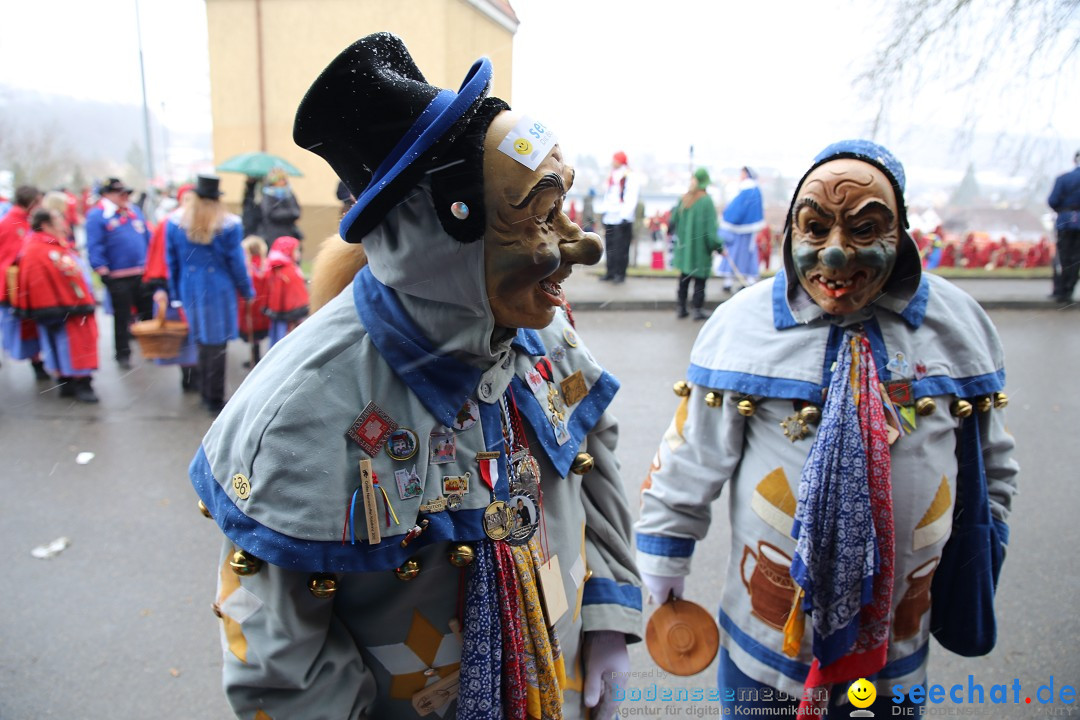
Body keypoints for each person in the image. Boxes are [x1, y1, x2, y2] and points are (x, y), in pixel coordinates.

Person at [188, 32, 641, 720]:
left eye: (564, 206)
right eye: (541, 215)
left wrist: (608, 615)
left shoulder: (542, 330)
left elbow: (593, 461)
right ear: (436, 239)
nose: (584, 243)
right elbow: (283, 668)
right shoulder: (300, 414)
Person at [635, 140, 1018, 716]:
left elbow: (992, 466)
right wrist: (664, 557)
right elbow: (691, 456)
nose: (836, 256)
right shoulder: (743, 326)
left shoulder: (959, 326)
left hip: (895, 648)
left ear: (904, 234)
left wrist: (983, 552)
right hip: (768, 651)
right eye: (815, 228)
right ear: (791, 231)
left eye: (867, 229)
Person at [165, 175, 254, 415]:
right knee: (216, 344)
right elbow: (236, 263)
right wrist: (247, 290)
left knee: (202, 341)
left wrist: (175, 293)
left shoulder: (175, 223)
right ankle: (213, 398)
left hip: (190, 286)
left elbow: (171, 262)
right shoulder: (228, 225)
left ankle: (205, 390)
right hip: (217, 287)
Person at [11, 208, 99, 402]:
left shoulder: (53, 245)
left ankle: (72, 381)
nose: (63, 224)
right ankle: (77, 382)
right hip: (60, 309)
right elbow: (36, 282)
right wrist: (50, 308)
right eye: (58, 219)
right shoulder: (36, 249)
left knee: (70, 345)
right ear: (45, 225)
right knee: (68, 345)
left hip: (71, 306)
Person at [85, 177, 152, 370]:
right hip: (118, 277)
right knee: (122, 318)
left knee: (147, 313)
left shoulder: (134, 211)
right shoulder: (97, 216)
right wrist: (103, 272)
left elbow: (147, 238)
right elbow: (94, 247)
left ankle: (151, 348)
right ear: (106, 194)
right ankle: (122, 353)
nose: (124, 196)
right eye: (119, 193)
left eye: (126, 193)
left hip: (141, 273)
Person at [144, 183, 200, 392]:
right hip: (176, 289)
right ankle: (189, 377)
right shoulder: (170, 223)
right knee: (183, 336)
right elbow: (160, 258)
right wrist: (161, 288)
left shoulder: (204, 223)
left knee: (195, 335)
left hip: (194, 289)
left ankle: (197, 375)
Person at [0, 184, 49, 380]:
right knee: (23, 326)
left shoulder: (24, 221)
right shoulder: (11, 224)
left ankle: (38, 362)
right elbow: (11, 257)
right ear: (32, 202)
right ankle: (36, 364)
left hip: (27, 283)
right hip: (14, 286)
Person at [670, 167, 721, 321]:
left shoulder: (684, 199)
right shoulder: (706, 201)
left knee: (684, 278)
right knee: (700, 281)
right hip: (700, 251)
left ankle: (681, 307)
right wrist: (718, 246)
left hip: (685, 249)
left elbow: (674, 221)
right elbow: (710, 232)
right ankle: (697, 309)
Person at [716, 166, 766, 291]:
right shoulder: (755, 190)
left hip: (739, 228)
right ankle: (748, 279)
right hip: (747, 229)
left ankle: (732, 280)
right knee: (748, 254)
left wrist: (728, 216)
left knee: (735, 253)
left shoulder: (747, 190)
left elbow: (736, 209)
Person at [599, 151, 639, 283]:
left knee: (620, 248)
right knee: (610, 246)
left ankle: (619, 274)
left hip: (621, 218)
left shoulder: (629, 175)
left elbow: (631, 197)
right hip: (610, 216)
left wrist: (625, 215)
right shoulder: (612, 175)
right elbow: (608, 195)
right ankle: (610, 271)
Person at [263, 235, 309, 348]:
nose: (299, 254)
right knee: (287, 342)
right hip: (289, 314)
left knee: (278, 339)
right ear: (288, 251)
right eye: (296, 250)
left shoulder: (277, 269)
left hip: (281, 313)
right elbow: (295, 293)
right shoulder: (287, 272)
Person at [1047, 149, 1080, 302]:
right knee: (1076, 258)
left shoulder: (1064, 178)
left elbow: (1053, 201)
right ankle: (1069, 290)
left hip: (1066, 221)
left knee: (1063, 256)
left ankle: (1060, 290)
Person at [237, 235, 270, 367]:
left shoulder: (247, 269)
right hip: (263, 307)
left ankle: (254, 358)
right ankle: (256, 358)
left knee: (252, 334)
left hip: (249, 307)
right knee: (258, 335)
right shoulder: (266, 267)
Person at [259, 167, 302, 243]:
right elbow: (271, 214)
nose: (283, 182)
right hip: (273, 235)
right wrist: (289, 214)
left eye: (284, 179)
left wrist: (289, 213)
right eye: (280, 179)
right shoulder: (268, 195)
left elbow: (296, 212)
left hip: (289, 233)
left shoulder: (289, 194)